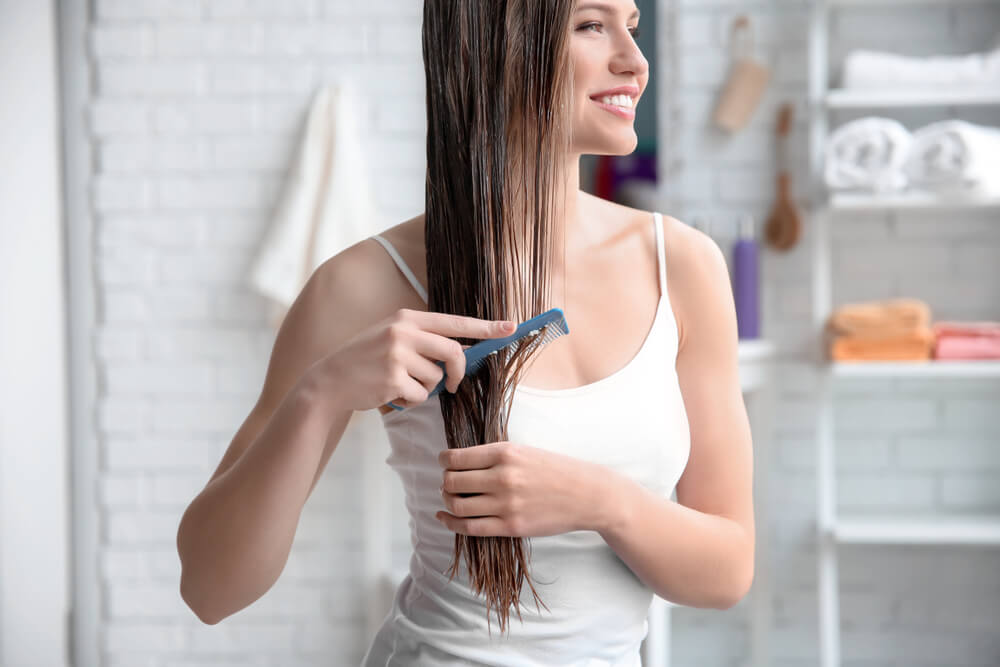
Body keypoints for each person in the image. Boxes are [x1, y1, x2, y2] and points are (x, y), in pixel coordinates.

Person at [177, 0, 755, 664]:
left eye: (634, 25)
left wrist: (602, 501)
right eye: (593, 25)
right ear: (499, 40)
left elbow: (728, 569)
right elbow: (210, 587)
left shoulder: (681, 265)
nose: (635, 60)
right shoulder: (364, 284)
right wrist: (322, 392)